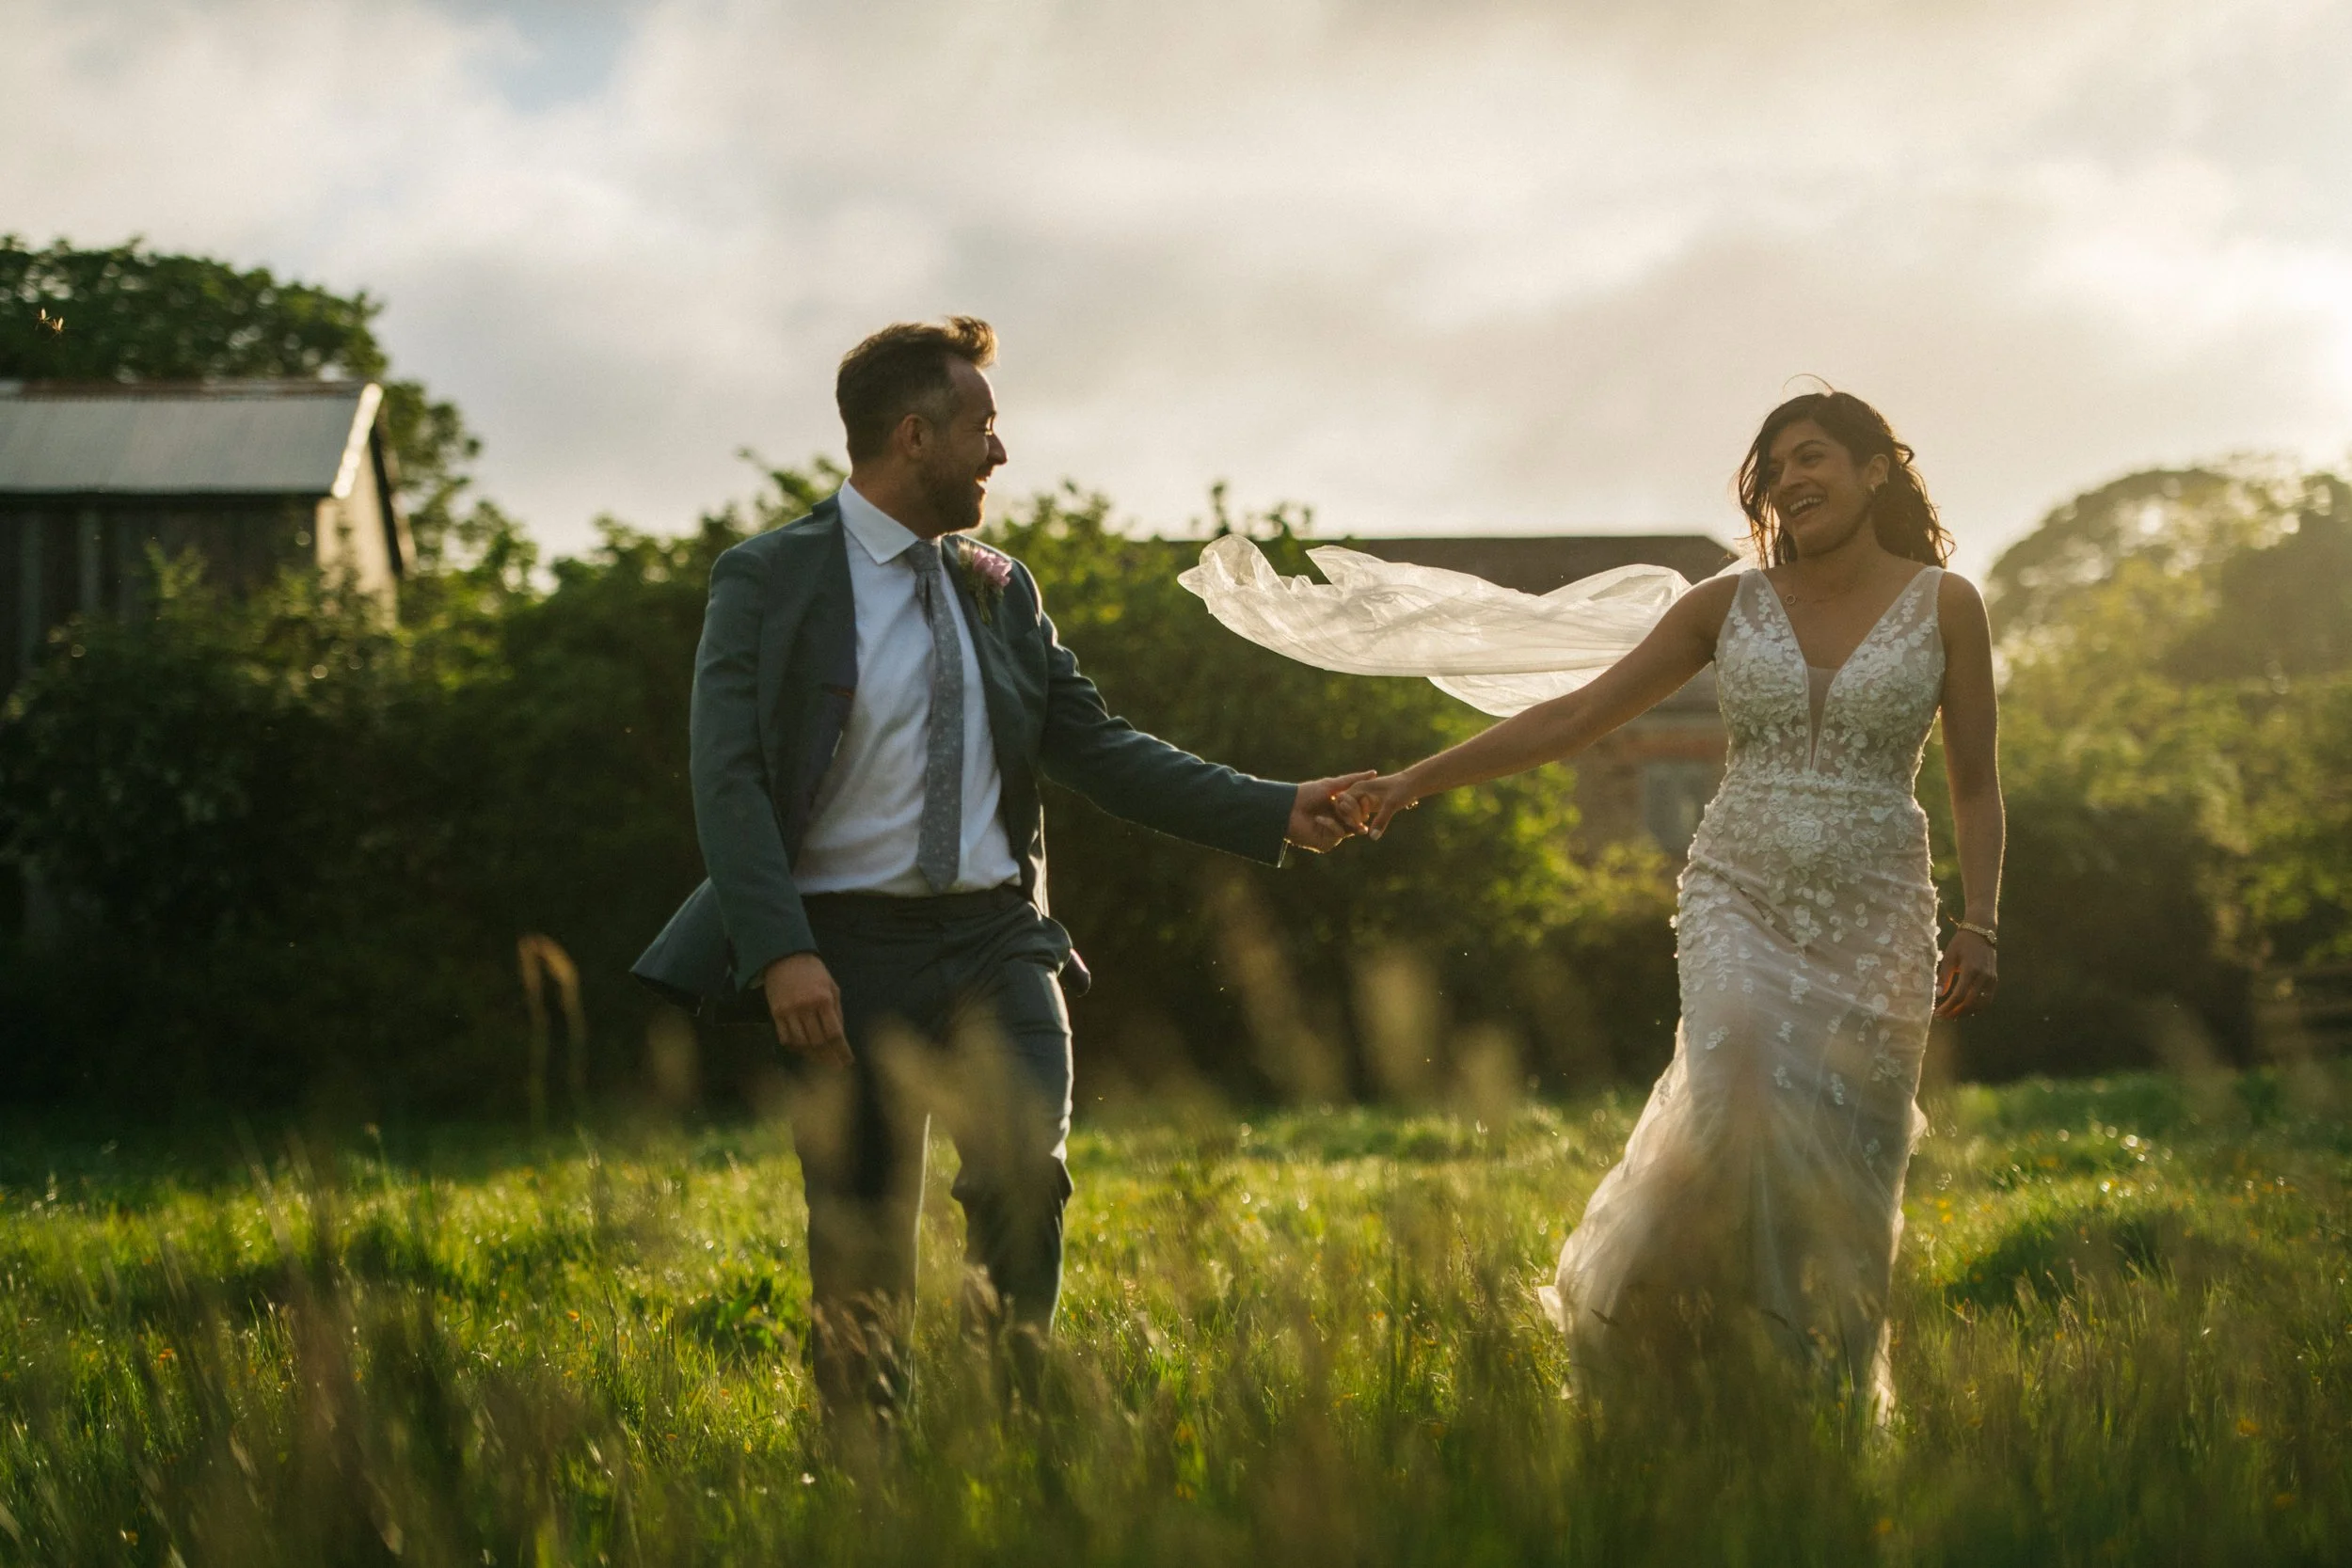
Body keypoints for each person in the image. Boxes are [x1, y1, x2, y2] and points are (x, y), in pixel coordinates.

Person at [1198, 389, 2001, 1415]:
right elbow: (1577, 714)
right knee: (1739, 1080)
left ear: (1875, 469)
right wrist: (1412, 780)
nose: (1791, 481)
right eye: (1773, 469)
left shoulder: (1946, 603)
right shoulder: (1729, 604)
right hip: (1737, 891)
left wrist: (1981, 920)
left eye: (1812, 458)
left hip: (1878, 905)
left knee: (1848, 1149)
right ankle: (1662, 1349)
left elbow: (1975, 780)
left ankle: (1814, 1392)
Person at [632, 317, 1369, 1421]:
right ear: (912, 434)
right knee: (863, 1231)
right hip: (842, 950)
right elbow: (727, 780)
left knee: (1028, 1174)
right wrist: (782, 951)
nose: (1000, 451)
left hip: (996, 941)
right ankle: (865, 1470)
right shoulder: (768, 578)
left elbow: (1100, 747)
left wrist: (1274, 805)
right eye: (983, 426)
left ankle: (1012, 1421)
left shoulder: (999, 586)